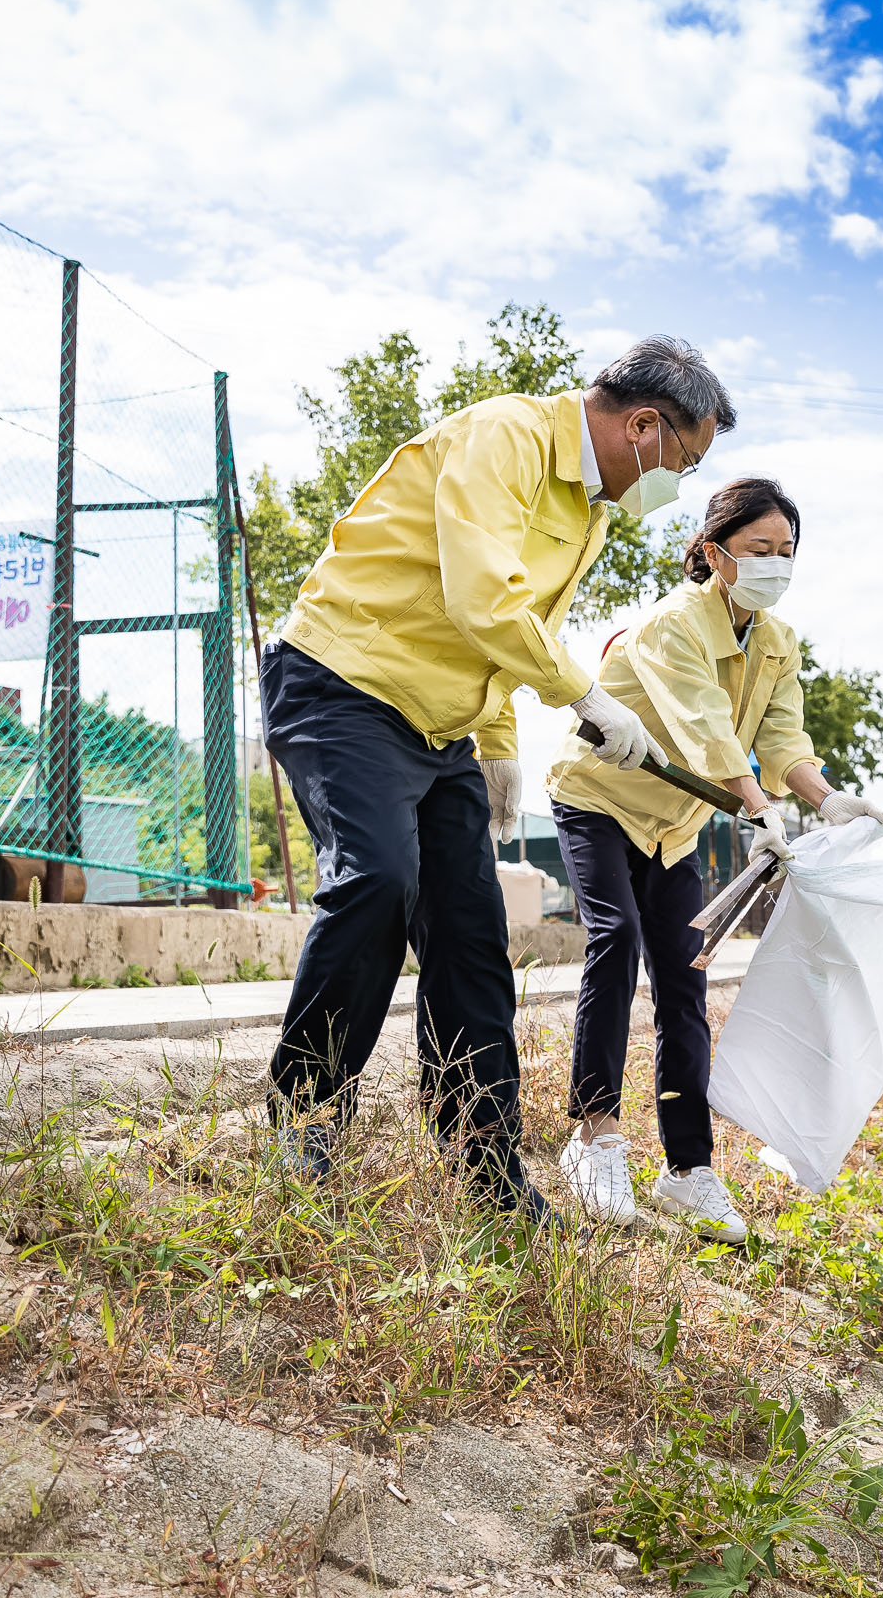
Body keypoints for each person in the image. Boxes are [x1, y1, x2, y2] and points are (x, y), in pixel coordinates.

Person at [261, 336, 733, 1211]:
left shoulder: (587, 513)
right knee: (377, 883)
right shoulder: (505, 438)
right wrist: (590, 698)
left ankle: (483, 1154)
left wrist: (498, 737)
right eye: (685, 460)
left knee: (472, 935)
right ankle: (306, 1112)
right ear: (641, 425)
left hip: (439, 724)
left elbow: (498, 632)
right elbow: (484, 597)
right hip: (340, 680)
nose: (680, 483)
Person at [547, 477, 883, 1240]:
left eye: (787, 552)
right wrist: (761, 809)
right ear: (712, 552)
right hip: (600, 800)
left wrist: (825, 798)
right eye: (760, 549)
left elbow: (782, 741)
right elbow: (703, 729)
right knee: (616, 940)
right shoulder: (673, 625)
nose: (775, 564)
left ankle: (687, 1170)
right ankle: (593, 1135)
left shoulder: (776, 641)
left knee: (684, 980)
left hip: (676, 826)